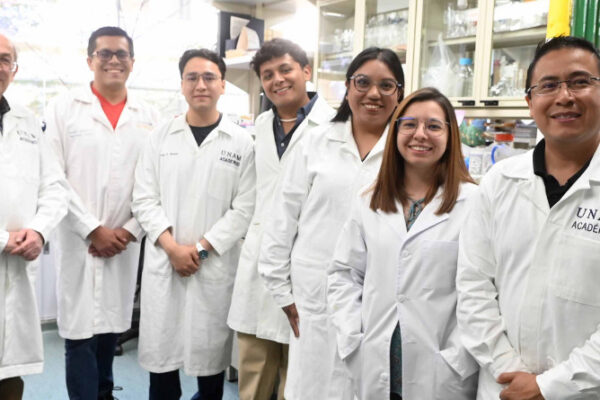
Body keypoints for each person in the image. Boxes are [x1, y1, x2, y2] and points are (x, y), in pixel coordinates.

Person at [457, 36, 600, 400]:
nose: (564, 96)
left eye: (580, 82)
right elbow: (473, 287)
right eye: (548, 85)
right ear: (530, 102)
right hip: (503, 386)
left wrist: (548, 387)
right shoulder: (499, 182)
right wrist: (510, 371)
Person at [258, 47, 404, 400]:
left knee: (366, 386)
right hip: (314, 293)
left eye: (386, 85)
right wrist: (282, 291)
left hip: (380, 297)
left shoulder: (407, 148)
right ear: (348, 87)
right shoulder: (315, 141)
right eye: (363, 82)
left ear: (399, 93)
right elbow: (281, 219)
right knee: (313, 385)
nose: (373, 93)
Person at [328, 87, 478, 400]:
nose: (420, 134)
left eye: (433, 126)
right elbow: (344, 274)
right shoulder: (369, 201)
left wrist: (459, 354)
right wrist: (351, 336)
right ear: (395, 132)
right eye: (409, 124)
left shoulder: (474, 203)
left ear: (451, 136)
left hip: (441, 369)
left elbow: (484, 291)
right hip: (375, 360)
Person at [132, 48, 255, 400]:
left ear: (223, 85)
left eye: (209, 77)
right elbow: (144, 198)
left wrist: (199, 250)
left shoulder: (242, 143)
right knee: (162, 364)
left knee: (210, 363)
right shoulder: (159, 137)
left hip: (211, 265)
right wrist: (173, 248)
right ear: (182, 84)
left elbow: (244, 208)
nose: (201, 85)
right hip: (165, 261)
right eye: (192, 77)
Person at [45, 26, 159, 400]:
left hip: (124, 242)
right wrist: (93, 229)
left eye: (121, 54)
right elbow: (53, 176)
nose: (113, 60)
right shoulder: (63, 109)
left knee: (111, 327)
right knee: (79, 335)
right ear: (89, 60)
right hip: (77, 239)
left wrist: (129, 231)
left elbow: (157, 182)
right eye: (104, 53)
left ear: (132, 62)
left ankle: (105, 393)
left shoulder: (150, 116)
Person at [227, 38, 334, 400]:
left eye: (285, 70)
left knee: (299, 384)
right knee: (252, 382)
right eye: (268, 74)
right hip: (259, 265)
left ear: (306, 71)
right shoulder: (260, 125)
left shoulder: (334, 127)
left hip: (307, 269)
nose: (277, 80)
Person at [0, 33, 68, 400]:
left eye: (4, 59)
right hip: (7, 250)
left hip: (17, 270)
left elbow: (54, 186)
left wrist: (39, 231)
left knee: (11, 375)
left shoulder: (26, 121)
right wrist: (3, 239)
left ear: (14, 69)